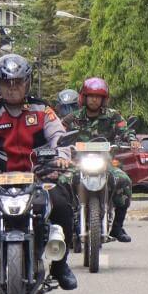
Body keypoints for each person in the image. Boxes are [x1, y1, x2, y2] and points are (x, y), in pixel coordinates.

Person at [0, 53, 78, 291]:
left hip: (38, 176)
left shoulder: (42, 110)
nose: (12, 88)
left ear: (27, 82)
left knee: (63, 203)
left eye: (17, 82)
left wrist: (62, 157)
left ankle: (61, 266)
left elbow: (59, 136)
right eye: (7, 82)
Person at [60, 77, 139, 243]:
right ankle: (64, 226)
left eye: (98, 96)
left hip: (105, 163)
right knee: (61, 182)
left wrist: (131, 140)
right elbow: (58, 133)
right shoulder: (72, 118)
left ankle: (117, 226)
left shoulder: (112, 116)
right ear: (84, 97)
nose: (94, 99)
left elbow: (124, 130)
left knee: (124, 181)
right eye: (90, 96)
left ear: (104, 99)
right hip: (78, 164)